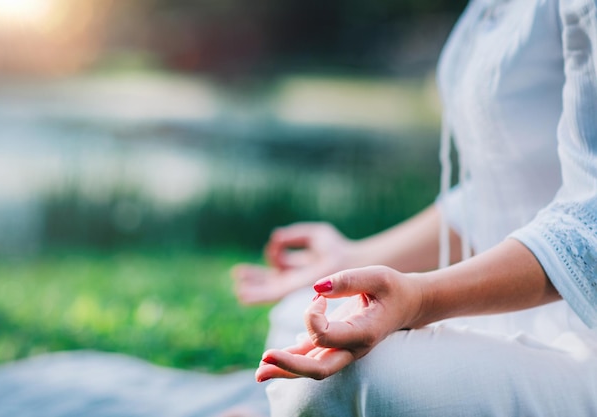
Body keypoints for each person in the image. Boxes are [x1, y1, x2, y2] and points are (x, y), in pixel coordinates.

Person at [232, 0, 597, 415]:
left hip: (585, 344)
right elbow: (504, 192)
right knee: (302, 319)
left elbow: (591, 228)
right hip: (517, 313)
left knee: (350, 377)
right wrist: (355, 258)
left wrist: (422, 298)